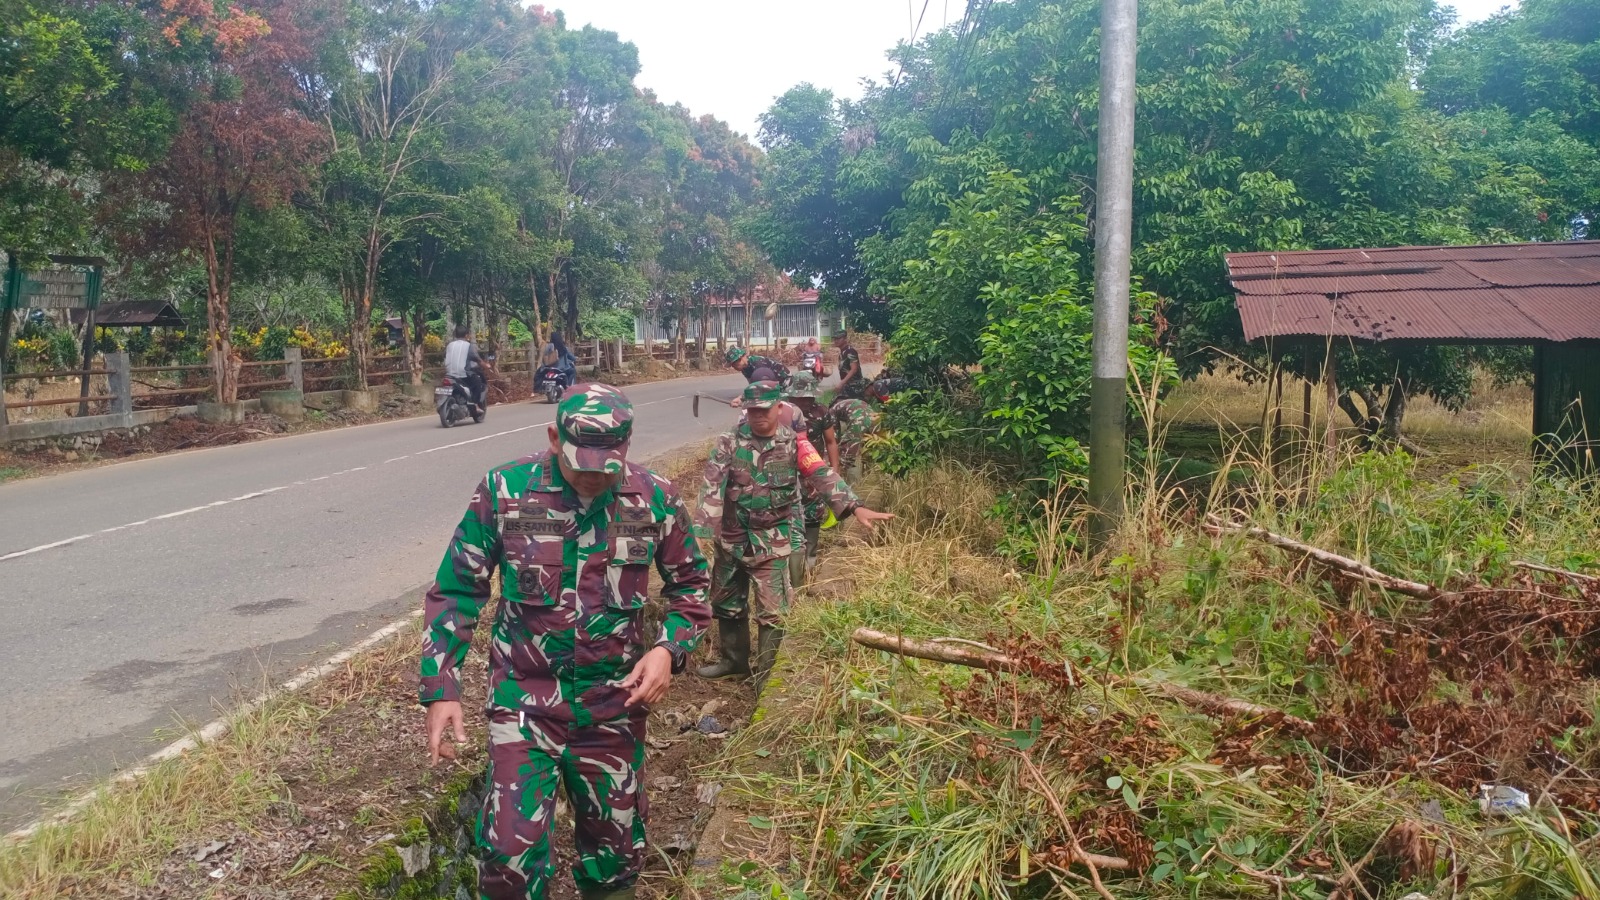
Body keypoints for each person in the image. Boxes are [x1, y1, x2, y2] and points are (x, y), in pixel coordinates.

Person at [420, 385, 711, 900]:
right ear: (555, 438)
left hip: (614, 704)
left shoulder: (654, 498)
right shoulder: (505, 490)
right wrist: (442, 688)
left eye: (606, 466)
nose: (594, 477)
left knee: (615, 854)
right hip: (525, 703)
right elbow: (456, 590)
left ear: (626, 446)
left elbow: (691, 586)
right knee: (508, 853)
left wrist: (668, 649)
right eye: (582, 465)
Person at [694, 380, 893, 686]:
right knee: (727, 604)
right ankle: (734, 662)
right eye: (752, 410)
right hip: (732, 540)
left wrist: (855, 506)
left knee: (773, 611)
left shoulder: (795, 443)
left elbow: (821, 473)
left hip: (772, 542)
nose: (758, 416)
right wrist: (703, 529)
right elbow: (712, 484)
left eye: (764, 410)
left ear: (779, 407)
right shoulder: (729, 442)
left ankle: (766, 676)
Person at [785, 371, 841, 587]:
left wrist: (834, 470)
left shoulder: (821, 412)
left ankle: (810, 564)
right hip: (787, 475)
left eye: (809, 397)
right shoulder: (783, 413)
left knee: (812, 517)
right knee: (790, 522)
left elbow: (831, 442)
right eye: (801, 398)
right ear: (792, 395)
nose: (805, 402)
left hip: (812, 474)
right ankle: (792, 575)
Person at [830, 396, 879, 481]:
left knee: (847, 454)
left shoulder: (831, 411)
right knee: (868, 450)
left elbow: (834, 437)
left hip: (859, 421)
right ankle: (867, 478)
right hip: (874, 419)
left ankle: (842, 480)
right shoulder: (851, 403)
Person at [444, 324, 486, 409]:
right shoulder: (468, 346)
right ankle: (475, 404)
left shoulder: (449, 345)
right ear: (466, 335)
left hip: (449, 374)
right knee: (477, 382)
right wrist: (486, 365)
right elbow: (477, 359)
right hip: (463, 374)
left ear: (455, 335)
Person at [724, 345, 789, 385]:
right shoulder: (744, 369)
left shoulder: (758, 363)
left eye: (734, 364)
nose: (733, 367)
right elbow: (752, 385)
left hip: (785, 381)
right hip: (773, 384)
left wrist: (742, 397)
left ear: (741, 358)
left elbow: (761, 386)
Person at [833, 330, 864, 400]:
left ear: (845, 339)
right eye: (835, 339)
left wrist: (842, 383)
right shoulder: (842, 353)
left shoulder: (850, 352)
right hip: (847, 386)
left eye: (838, 338)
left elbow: (854, 369)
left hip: (855, 386)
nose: (836, 341)